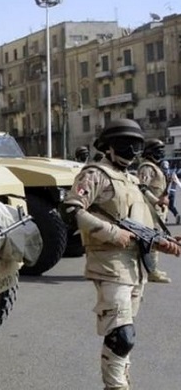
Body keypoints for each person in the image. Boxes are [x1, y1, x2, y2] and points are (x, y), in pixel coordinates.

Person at [60, 119, 180, 390]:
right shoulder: (96, 174)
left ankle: (120, 381)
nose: (132, 150)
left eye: (136, 144)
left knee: (125, 334)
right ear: (108, 146)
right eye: (125, 143)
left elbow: (141, 226)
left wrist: (164, 242)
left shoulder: (132, 180)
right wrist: (112, 233)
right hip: (109, 263)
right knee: (121, 335)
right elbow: (69, 210)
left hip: (135, 266)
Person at [137, 138, 171, 283]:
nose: (161, 153)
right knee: (153, 241)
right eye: (159, 151)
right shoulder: (147, 167)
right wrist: (156, 201)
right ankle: (152, 272)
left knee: (156, 240)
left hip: (158, 211)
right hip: (150, 211)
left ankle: (153, 269)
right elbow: (142, 187)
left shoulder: (156, 167)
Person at [163, 160, 181, 224]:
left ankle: (164, 218)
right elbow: (178, 183)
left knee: (163, 205)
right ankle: (176, 214)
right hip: (173, 192)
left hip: (165, 192)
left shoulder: (162, 173)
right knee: (171, 206)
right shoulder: (173, 174)